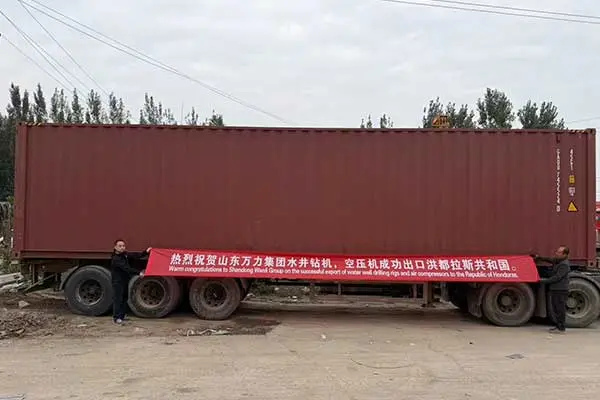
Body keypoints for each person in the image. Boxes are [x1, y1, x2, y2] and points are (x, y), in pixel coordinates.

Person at [111, 239, 152, 324]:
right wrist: (139, 273)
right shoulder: (116, 259)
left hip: (125, 280)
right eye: (120, 246)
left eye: (123, 246)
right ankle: (116, 318)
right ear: (115, 247)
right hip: (118, 282)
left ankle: (121, 316)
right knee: (118, 299)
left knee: (125, 298)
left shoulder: (124, 254)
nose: (122, 247)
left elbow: (135, 255)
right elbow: (127, 268)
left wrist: (146, 252)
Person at [532, 245, 571, 334]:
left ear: (565, 254)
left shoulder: (564, 264)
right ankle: (558, 326)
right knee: (556, 308)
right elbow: (550, 259)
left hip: (561, 290)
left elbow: (557, 277)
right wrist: (539, 258)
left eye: (559, 252)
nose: (556, 253)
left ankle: (561, 328)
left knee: (560, 309)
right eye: (557, 251)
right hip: (555, 289)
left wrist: (543, 281)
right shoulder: (558, 261)